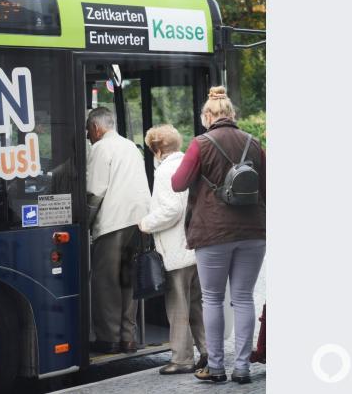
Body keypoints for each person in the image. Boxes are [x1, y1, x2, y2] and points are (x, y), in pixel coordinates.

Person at [171, 86, 266, 385]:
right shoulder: (254, 142)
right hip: (253, 231)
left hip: (213, 231)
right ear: (233, 115)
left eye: (203, 116)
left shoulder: (201, 143)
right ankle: (242, 368)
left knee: (212, 299)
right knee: (243, 298)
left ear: (210, 115)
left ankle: (215, 367)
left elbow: (178, 183)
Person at [139, 124, 208, 374]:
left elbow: (171, 210)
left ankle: (182, 359)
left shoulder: (164, 171)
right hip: (196, 246)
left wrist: (146, 223)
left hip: (177, 250)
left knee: (177, 307)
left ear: (157, 150)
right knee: (197, 305)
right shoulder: (188, 165)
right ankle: (208, 350)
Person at [86, 106, 151, 354]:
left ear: (96, 127)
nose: (89, 137)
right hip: (138, 221)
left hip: (114, 221)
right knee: (127, 279)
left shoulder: (101, 147)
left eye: (88, 131)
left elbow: (95, 191)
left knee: (106, 281)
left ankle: (110, 337)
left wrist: (85, 221)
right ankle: (128, 337)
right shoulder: (129, 146)